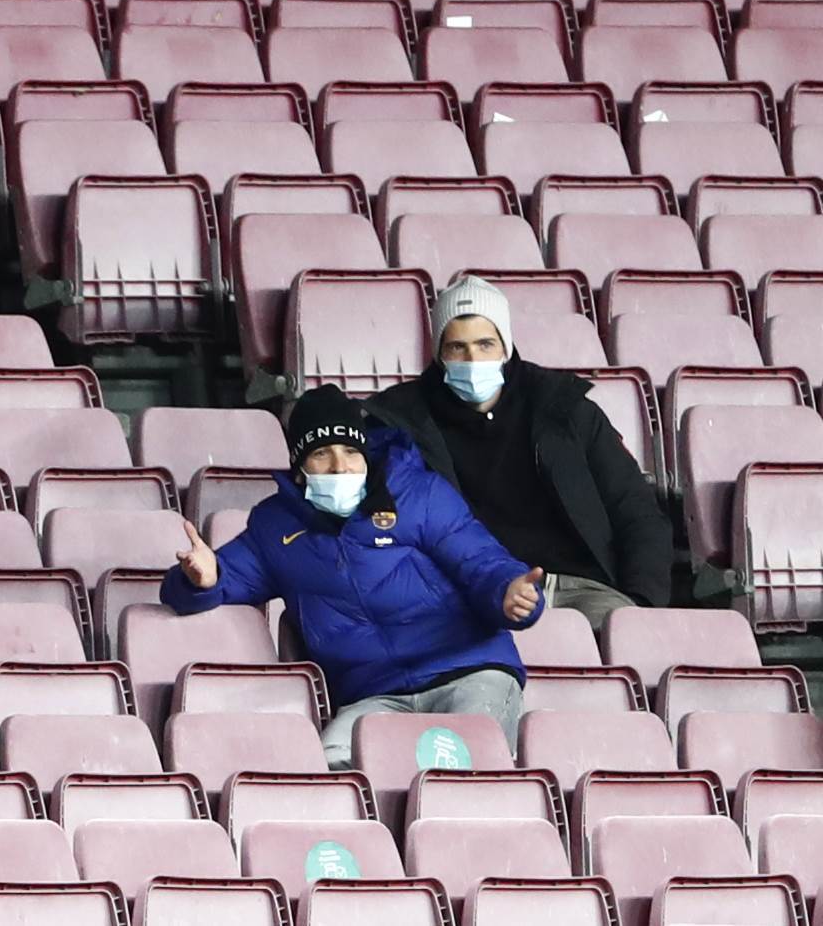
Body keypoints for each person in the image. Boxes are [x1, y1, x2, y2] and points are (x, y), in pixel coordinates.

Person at [160, 385, 545, 769]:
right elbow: (217, 580)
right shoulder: (274, 526)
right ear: (299, 468)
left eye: (350, 452)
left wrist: (509, 594)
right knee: (332, 772)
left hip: (468, 671)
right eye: (321, 454)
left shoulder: (419, 494)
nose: (340, 467)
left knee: (467, 770)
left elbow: (483, 563)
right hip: (373, 695)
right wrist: (198, 580)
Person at [366, 275, 673, 628]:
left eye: (485, 344)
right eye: (457, 348)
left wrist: (640, 604)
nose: (472, 359)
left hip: (582, 589)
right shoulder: (398, 421)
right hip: (471, 592)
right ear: (438, 353)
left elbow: (634, 509)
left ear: (506, 346)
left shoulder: (564, 408)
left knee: (633, 646)